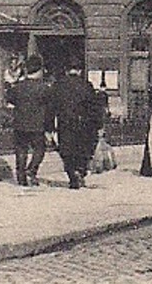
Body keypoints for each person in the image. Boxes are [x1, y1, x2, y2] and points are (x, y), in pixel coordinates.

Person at [48, 60, 104, 189]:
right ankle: (81, 171)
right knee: (83, 150)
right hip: (84, 124)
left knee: (67, 151)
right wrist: (99, 125)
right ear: (79, 71)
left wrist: (49, 127)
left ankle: (73, 175)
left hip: (65, 123)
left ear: (66, 71)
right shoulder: (87, 86)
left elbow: (51, 107)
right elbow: (94, 107)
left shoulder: (58, 86)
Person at [6, 54, 51, 187]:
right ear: (39, 70)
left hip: (20, 123)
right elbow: (49, 106)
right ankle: (31, 170)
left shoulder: (18, 86)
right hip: (38, 124)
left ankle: (21, 178)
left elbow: (10, 99)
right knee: (39, 149)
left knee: (21, 150)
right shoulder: (44, 88)